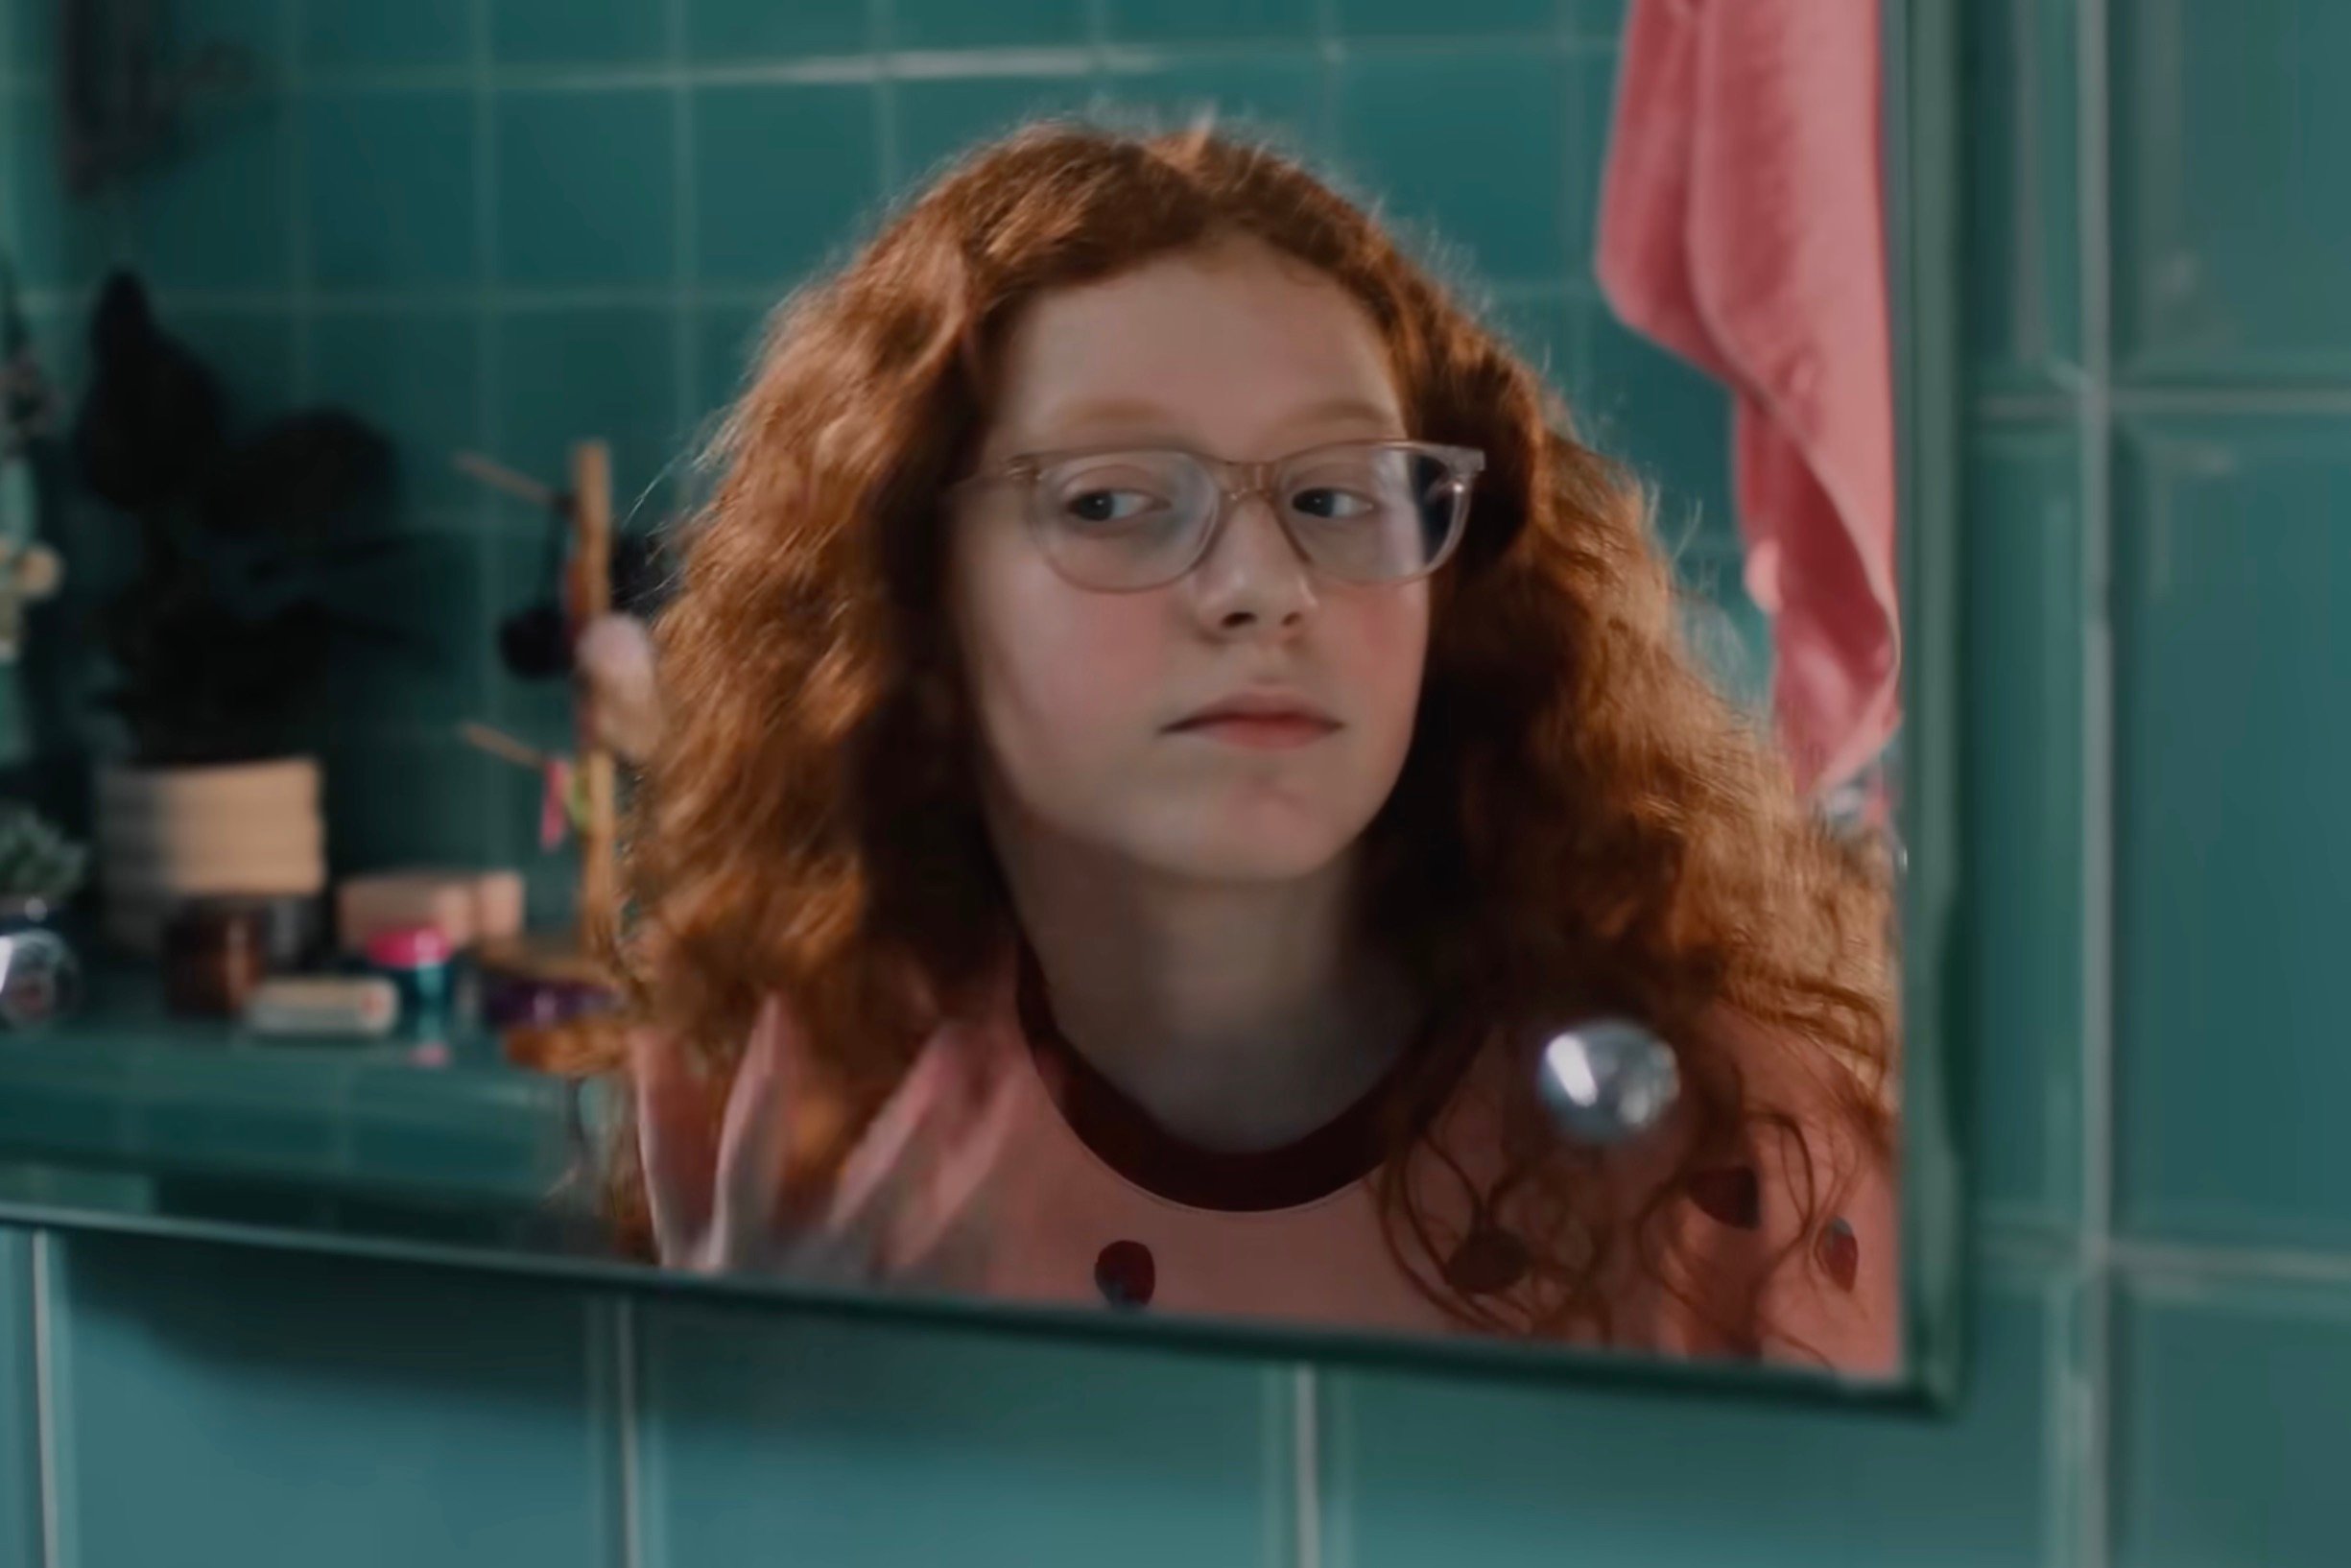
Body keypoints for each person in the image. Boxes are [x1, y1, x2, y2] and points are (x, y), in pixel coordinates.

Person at [596, 120, 1899, 1372]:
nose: (1263, 587)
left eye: (1337, 496)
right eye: (1110, 500)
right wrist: (737, 1451)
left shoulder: (1732, 1148)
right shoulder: (801, 1130)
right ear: (914, 597)